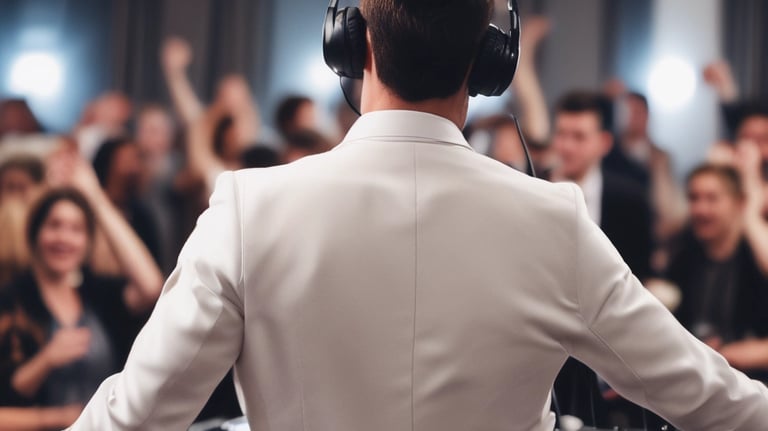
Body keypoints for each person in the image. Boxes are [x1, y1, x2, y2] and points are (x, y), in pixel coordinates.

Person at [72, 1, 768, 430]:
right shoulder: (554, 220)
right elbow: (714, 400)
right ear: (487, 65)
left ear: (354, 47)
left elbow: (134, 415)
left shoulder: (249, 208)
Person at [0, 151, 162, 430]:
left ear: (87, 243)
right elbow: (7, 393)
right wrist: (47, 360)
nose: (65, 238)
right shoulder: (11, 299)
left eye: (77, 229)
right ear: (35, 234)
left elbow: (150, 287)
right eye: (54, 225)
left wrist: (95, 198)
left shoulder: (96, 294)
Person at [666, 164, 768, 380]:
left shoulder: (756, 259)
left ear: (739, 203)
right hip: (699, 379)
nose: (700, 209)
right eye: (694, 198)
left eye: (712, 199)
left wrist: (732, 353)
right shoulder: (684, 258)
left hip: (753, 384)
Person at [551, 91, 654, 281]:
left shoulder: (631, 200)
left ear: (604, 143)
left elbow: (638, 275)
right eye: (561, 134)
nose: (567, 146)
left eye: (579, 137)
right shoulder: (534, 186)